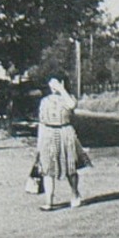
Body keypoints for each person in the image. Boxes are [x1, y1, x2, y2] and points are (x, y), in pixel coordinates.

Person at [36, 77, 89, 210]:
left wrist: (61, 89)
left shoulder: (68, 98)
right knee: (47, 168)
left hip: (65, 133)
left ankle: (75, 194)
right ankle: (49, 201)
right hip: (48, 133)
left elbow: (71, 105)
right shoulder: (44, 101)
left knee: (70, 167)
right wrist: (39, 143)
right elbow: (41, 122)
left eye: (56, 83)